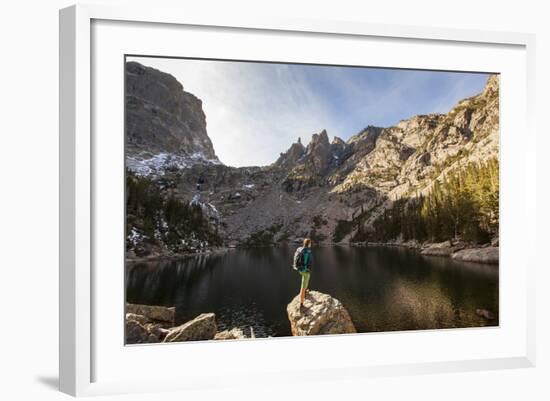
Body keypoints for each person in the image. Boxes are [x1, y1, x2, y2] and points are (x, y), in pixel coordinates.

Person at [296, 238, 313, 307]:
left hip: (300, 270)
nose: (311, 245)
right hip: (305, 270)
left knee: (305, 279)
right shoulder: (307, 252)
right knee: (303, 285)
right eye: (310, 243)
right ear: (308, 244)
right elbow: (308, 262)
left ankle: (305, 291)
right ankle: (301, 303)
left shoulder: (300, 250)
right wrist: (308, 269)